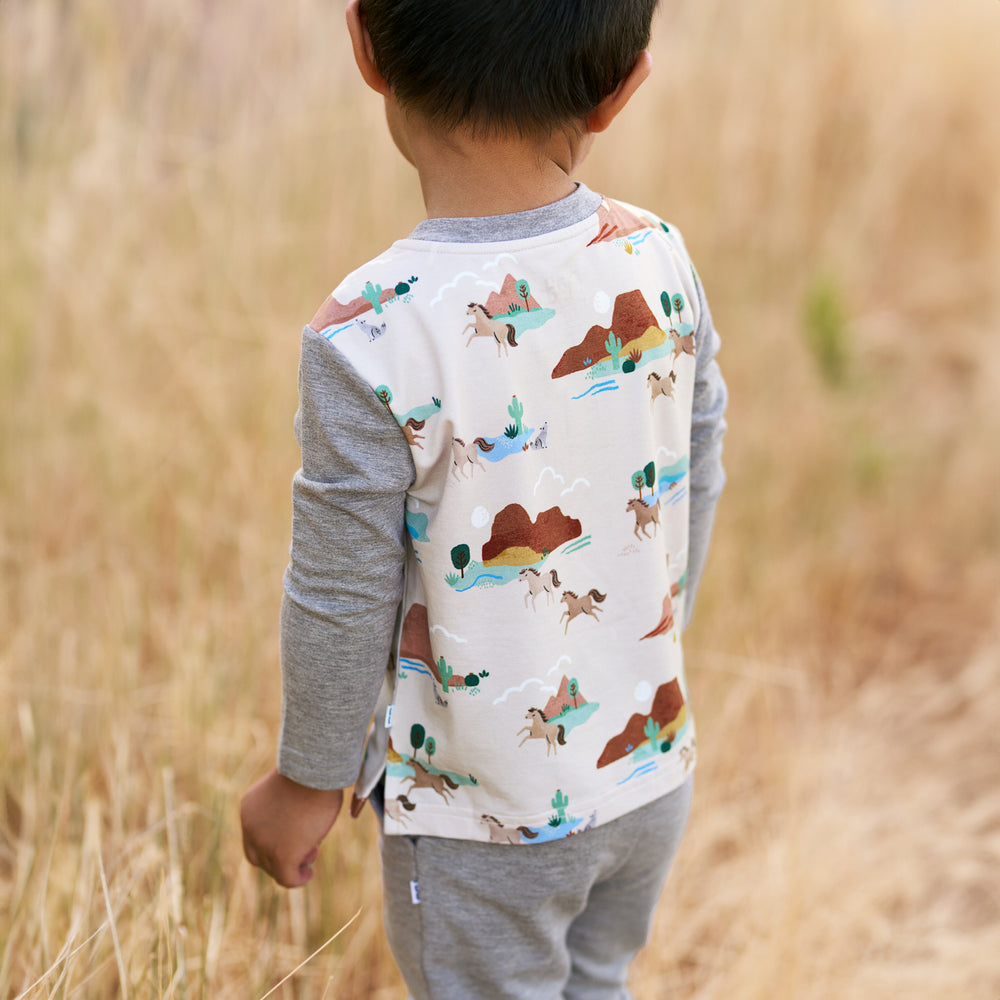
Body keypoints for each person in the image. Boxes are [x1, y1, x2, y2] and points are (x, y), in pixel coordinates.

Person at [241, 1, 727, 996]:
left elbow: (341, 589)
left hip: (481, 817)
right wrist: (638, 640)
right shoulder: (659, 258)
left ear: (365, 47)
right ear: (623, 84)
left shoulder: (369, 331)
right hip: (644, 771)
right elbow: (696, 460)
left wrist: (309, 776)